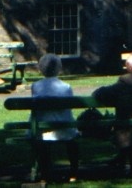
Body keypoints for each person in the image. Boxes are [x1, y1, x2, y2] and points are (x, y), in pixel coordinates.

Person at [30, 54, 80, 183]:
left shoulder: (36, 86)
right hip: (64, 128)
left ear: (40, 69)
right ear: (59, 68)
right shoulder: (66, 87)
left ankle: (45, 172)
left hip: (41, 130)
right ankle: (73, 171)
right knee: (72, 141)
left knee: (42, 144)